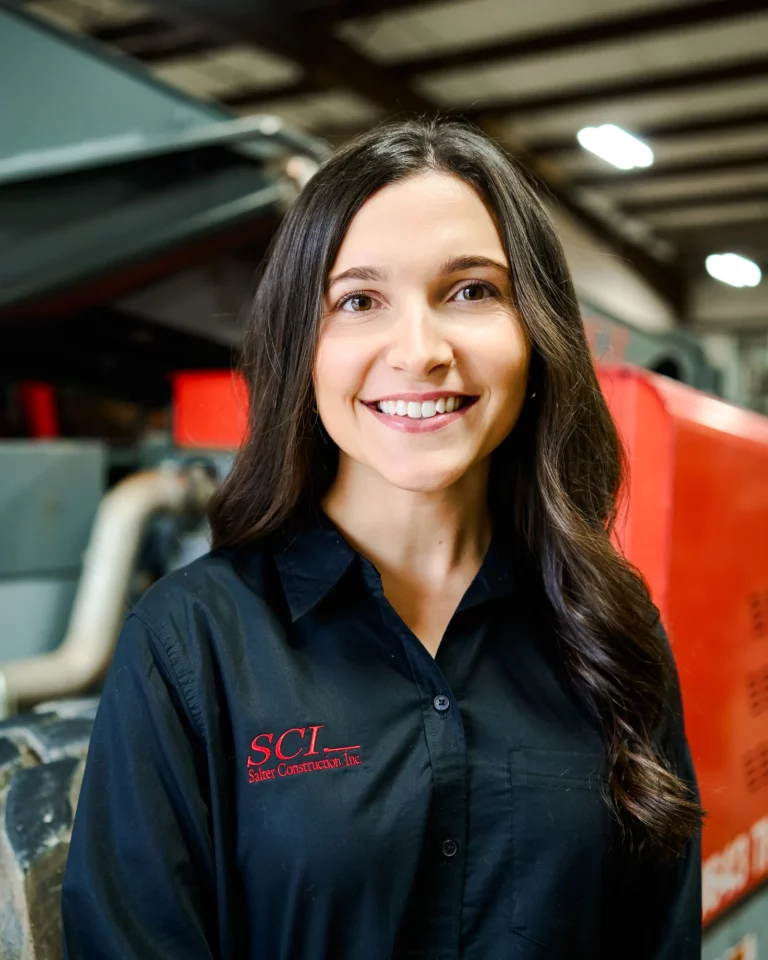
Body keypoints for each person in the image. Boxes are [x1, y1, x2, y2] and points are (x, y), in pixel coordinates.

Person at [61, 117, 702, 959]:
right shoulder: (193, 645)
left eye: (471, 291)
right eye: (359, 301)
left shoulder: (608, 632)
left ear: (535, 333)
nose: (420, 351)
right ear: (305, 349)